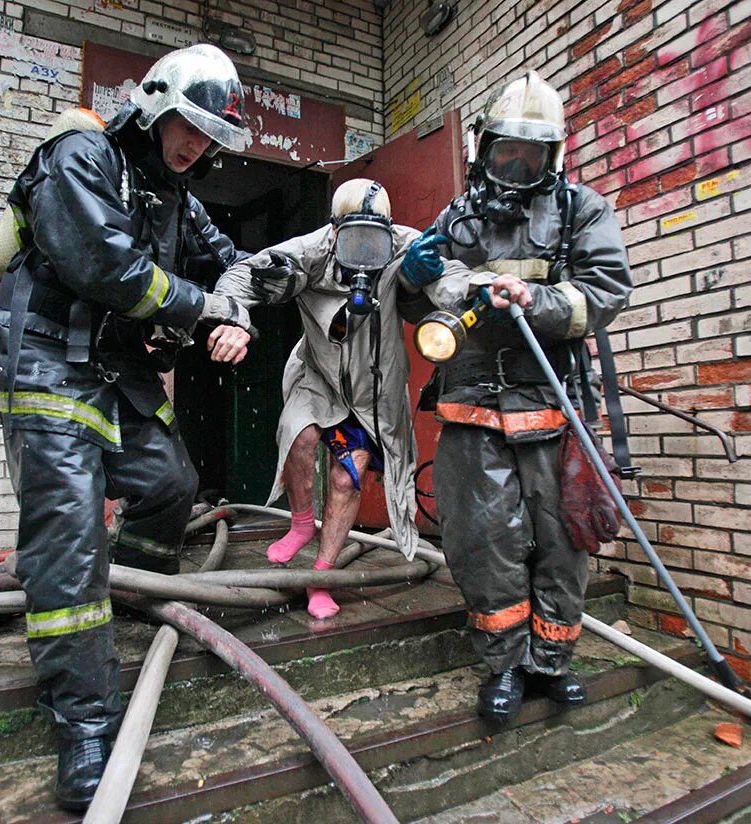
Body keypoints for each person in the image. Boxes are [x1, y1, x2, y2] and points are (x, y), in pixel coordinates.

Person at [0, 44, 254, 810]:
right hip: (47, 365)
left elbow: (234, 263)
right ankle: (82, 721)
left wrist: (239, 315)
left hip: (114, 371)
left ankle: (128, 596)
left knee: (170, 483)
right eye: (189, 127)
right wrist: (204, 310)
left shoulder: (177, 198)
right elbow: (107, 267)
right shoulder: (81, 156)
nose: (195, 146)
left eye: (210, 137)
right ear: (156, 104)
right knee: (69, 537)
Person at [402, 70, 634, 724]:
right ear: (485, 146)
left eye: (532, 154)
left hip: (554, 406)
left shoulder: (580, 210)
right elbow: (420, 305)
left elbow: (607, 293)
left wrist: (537, 299)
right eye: (508, 150)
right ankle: (504, 666)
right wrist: (414, 281)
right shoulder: (458, 217)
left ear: (553, 156)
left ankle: (550, 663)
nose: (518, 164)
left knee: (560, 542)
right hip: (472, 411)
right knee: (487, 542)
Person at [208, 179, 469, 619]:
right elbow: (242, 274)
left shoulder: (406, 246)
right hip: (317, 373)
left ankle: (322, 575)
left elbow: (454, 279)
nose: (366, 253)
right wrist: (233, 316)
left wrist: (468, 290)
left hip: (374, 388)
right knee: (300, 438)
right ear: (333, 231)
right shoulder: (310, 249)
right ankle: (300, 523)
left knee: (349, 476)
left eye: (376, 240)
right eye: (354, 240)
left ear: (389, 231)